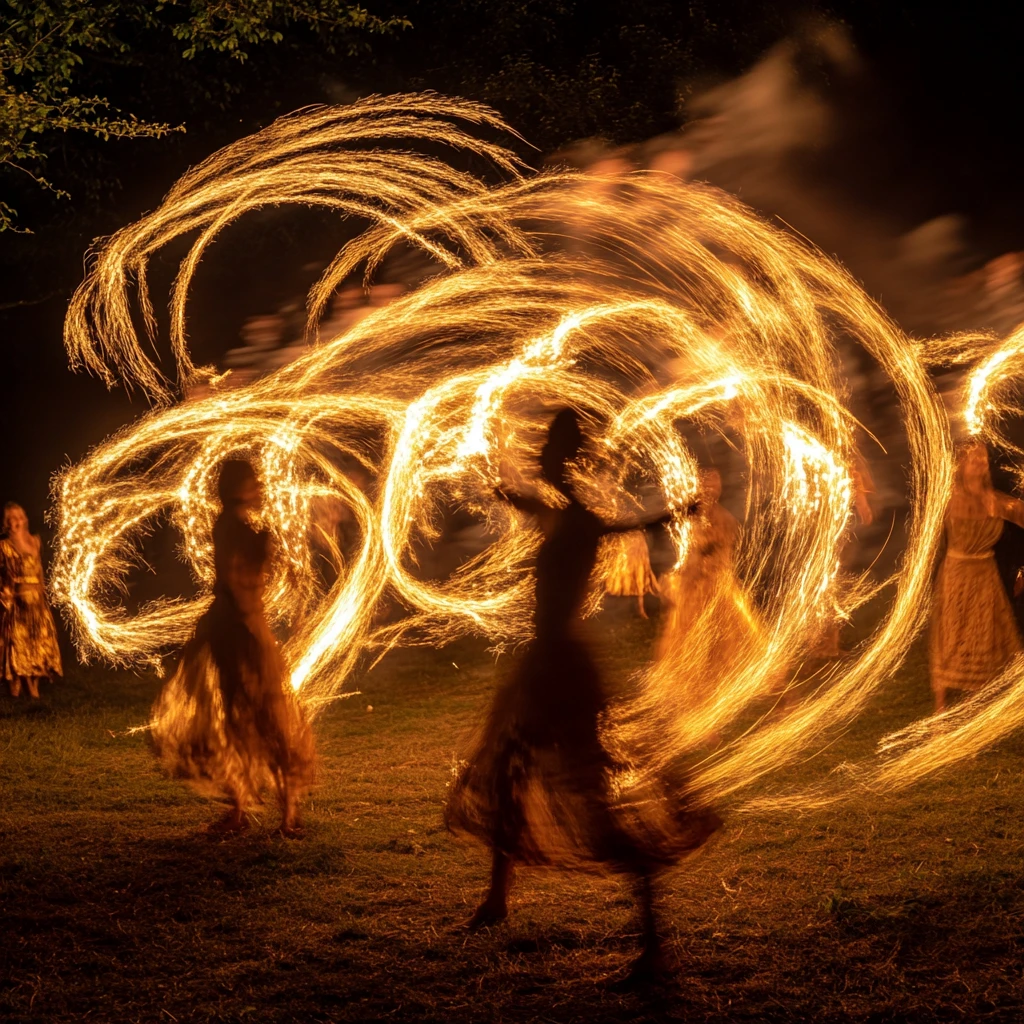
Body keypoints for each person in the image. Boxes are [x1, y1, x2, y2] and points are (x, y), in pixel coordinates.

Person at [445, 409, 720, 982]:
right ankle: (496, 899)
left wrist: (677, 512)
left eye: (548, 447)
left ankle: (652, 941)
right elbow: (540, 504)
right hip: (543, 662)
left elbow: (628, 527)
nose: (538, 454)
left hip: (563, 670)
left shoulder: (577, 519)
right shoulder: (559, 512)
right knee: (507, 773)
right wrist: (487, 472)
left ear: (562, 458)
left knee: (590, 800)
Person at [151, 460, 315, 835]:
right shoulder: (233, 528)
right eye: (252, 481)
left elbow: (248, 576)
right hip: (241, 633)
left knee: (252, 720)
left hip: (239, 630)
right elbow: (238, 582)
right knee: (260, 720)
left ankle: (270, 812)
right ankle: (267, 814)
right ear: (237, 487)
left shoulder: (238, 527)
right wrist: (270, 546)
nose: (259, 485)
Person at [930, 441, 1024, 713]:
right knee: (950, 638)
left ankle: (974, 700)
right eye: (973, 459)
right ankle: (940, 705)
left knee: (981, 636)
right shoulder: (948, 499)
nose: (980, 463)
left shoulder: (995, 501)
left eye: (983, 458)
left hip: (984, 575)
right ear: (961, 465)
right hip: (956, 575)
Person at [655, 468, 759, 698]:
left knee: (723, 638)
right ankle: (694, 684)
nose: (711, 488)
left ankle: (716, 679)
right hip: (692, 588)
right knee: (690, 640)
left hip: (716, 588)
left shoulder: (725, 519)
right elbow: (679, 552)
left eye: (715, 482)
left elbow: (723, 556)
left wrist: (708, 562)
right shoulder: (684, 518)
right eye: (706, 482)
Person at [0, 503, 63, 698]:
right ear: (6, 523)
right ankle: (17, 680)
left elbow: (39, 569)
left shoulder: (35, 541)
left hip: (37, 600)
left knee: (40, 640)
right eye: (12, 518)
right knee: (18, 642)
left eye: (19, 516)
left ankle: (34, 682)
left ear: (25, 519)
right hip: (18, 600)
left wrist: (44, 592)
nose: (16, 521)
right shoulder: (4, 546)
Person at [601, 529, 659, 617]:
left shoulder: (637, 533)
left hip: (635, 543)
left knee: (639, 577)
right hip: (625, 542)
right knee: (627, 577)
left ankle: (639, 610)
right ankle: (627, 611)